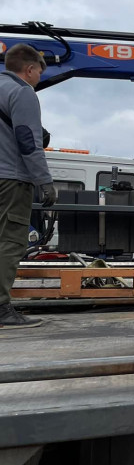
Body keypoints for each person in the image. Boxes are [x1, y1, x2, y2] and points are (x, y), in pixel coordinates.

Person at [0, 44, 56, 329]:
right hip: (10, 179)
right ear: (30, 69)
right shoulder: (22, 92)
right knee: (10, 241)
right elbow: (27, 141)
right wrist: (45, 182)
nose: (37, 81)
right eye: (38, 75)